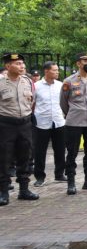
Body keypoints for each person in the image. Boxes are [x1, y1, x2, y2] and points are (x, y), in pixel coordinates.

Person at [0, 53, 39, 206]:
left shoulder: (28, 82)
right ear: (8, 66)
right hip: (6, 124)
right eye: (17, 64)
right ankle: (3, 191)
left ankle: (24, 189)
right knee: (4, 158)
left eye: (22, 63)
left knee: (26, 156)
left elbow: (32, 101)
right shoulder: (1, 83)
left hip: (24, 123)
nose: (22, 66)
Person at [60, 52, 87, 195]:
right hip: (74, 122)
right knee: (72, 153)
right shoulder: (69, 81)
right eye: (85, 61)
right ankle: (71, 183)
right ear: (78, 63)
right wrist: (71, 114)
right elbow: (63, 103)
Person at [32, 61, 67, 187]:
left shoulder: (60, 85)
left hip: (58, 121)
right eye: (55, 70)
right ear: (46, 71)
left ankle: (60, 174)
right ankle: (40, 176)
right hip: (41, 122)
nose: (57, 72)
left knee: (60, 149)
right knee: (40, 151)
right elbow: (32, 103)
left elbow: (65, 102)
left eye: (58, 70)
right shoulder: (36, 86)